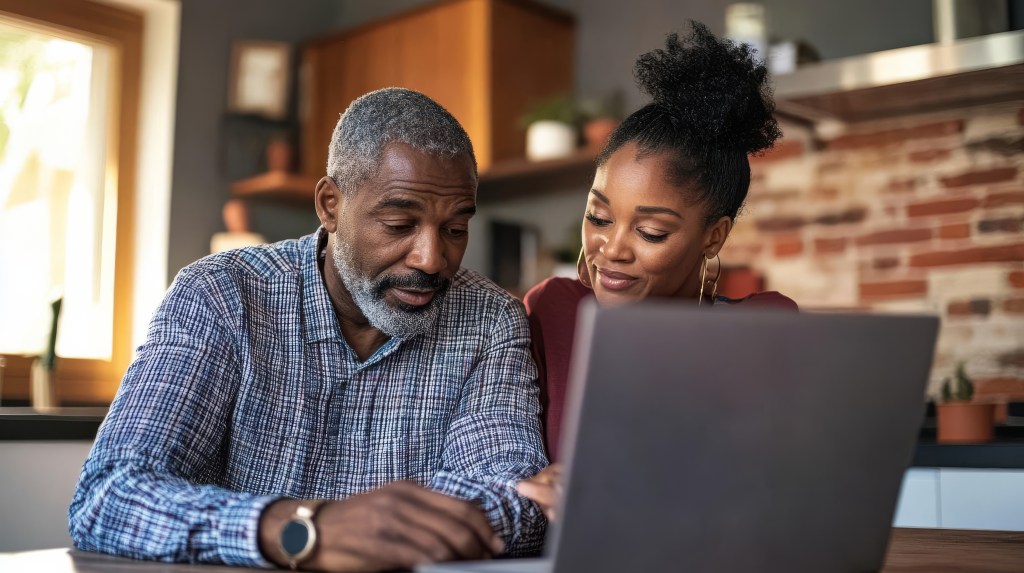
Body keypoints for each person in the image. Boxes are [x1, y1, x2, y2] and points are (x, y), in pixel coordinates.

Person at [69, 88, 547, 571]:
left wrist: (400, 527)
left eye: (455, 229)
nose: (432, 258)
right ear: (330, 205)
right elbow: (109, 494)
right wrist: (299, 528)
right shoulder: (222, 295)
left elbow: (517, 497)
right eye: (400, 224)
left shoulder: (490, 320)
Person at [517, 22, 797, 520]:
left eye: (650, 233)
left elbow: (772, 488)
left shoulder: (762, 328)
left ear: (714, 235)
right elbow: (502, 456)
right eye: (598, 217)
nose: (611, 249)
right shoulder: (551, 312)